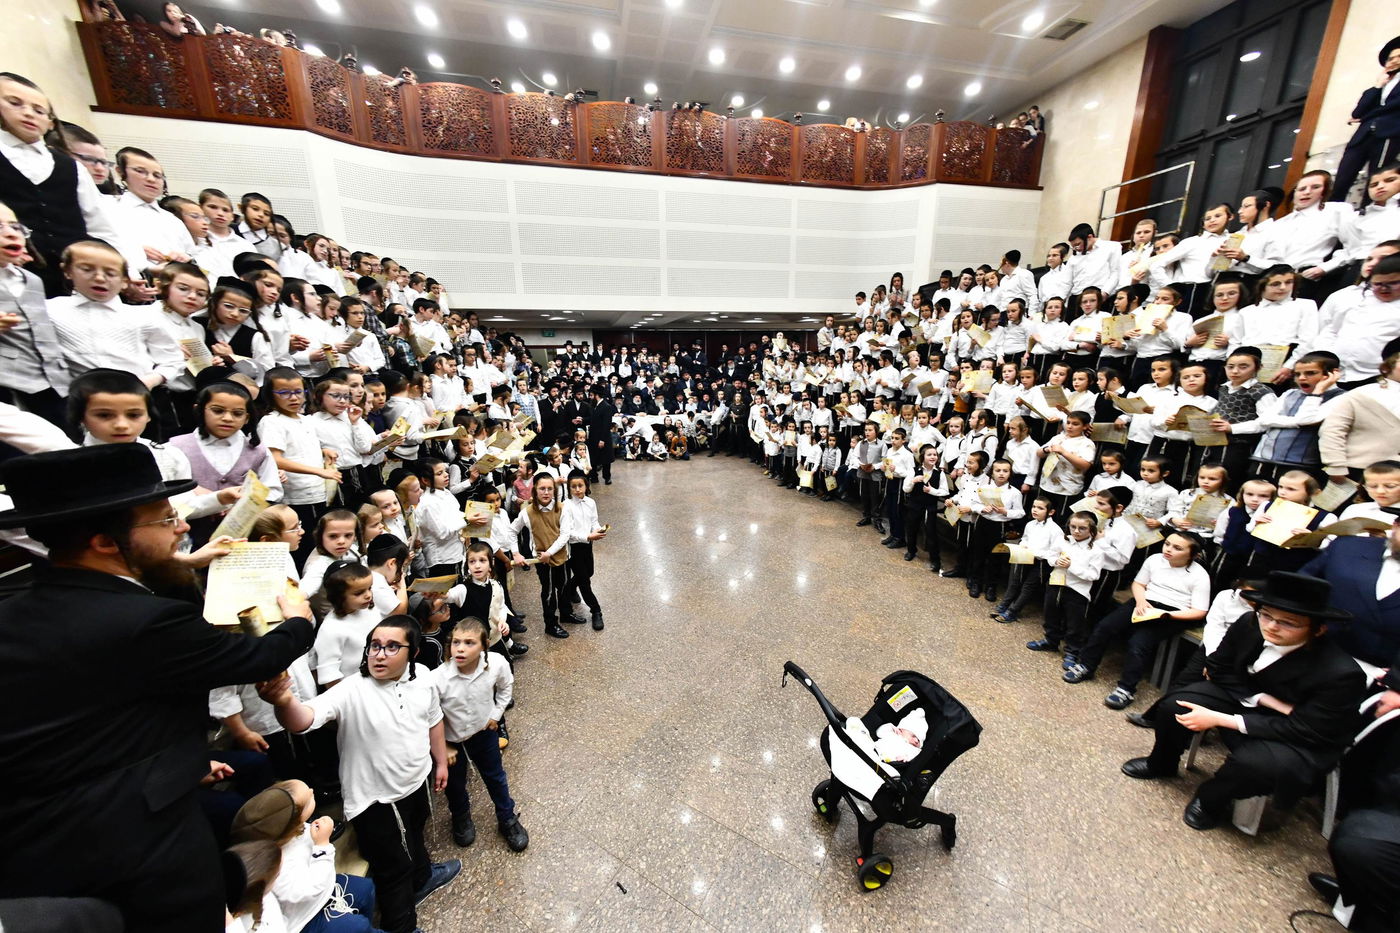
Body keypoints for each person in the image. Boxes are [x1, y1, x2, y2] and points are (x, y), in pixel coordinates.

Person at [0, 443, 314, 933]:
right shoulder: (147, 622)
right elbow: (259, 656)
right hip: (136, 846)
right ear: (106, 541)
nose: (184, 527)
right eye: (166, 519)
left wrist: (183, 760)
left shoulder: (19, 610)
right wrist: (296, 619)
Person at [1118, 571, 1368, 832]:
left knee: (1255, 764)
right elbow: (1217, 667)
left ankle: (1210, 799)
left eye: (1289, 623)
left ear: (1319, 629)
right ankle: (1162, 763)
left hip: (1304, 734)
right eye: (1267, 615)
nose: (1271, 626)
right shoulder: (1248, 624)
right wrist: (1263, 700)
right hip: (1250, 697)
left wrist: (1222, 720)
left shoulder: (1341, 674)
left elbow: (1310, 729)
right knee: (1175, 704)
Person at [259, 617, 462, 933]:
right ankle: (402, 927)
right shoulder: (351, 689)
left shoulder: (422, 677)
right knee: (393, 871)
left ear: (414, 652)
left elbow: (433, 720)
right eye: (375, 646)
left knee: (417, 830)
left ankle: (423, 878)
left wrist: (440, 763)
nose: (379, 654)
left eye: (392, 646)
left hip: (417, 782)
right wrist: (284, 701)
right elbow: (303, 719)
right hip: (376, 802)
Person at [430, 616, 530, 852]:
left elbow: (506, 688)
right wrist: (442, 747)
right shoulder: (437, 678)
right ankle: (461, 816)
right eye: (456, 642)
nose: (461, 649)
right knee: (455, 785)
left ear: (484, 645)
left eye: (469, 643)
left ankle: (507, 817)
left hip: (483, 735)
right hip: (453, 743)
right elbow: (430, 716)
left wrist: (495, 715)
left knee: (496, 777)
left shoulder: (496, 664)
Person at [1330, 36, 1400, 202]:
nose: (1395, 61)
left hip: (1388, 134)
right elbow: (1358, 112)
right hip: (1362, 137)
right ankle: (1332, 212)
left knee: (1377, 179)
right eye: (1391, 58)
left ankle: (1367, 212)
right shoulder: (1376, 87)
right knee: (1342, 179)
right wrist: (1378, 86)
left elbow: (1393, 106)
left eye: (1399, 57)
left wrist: (1366, 117)